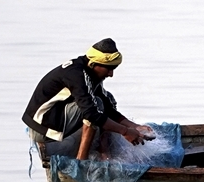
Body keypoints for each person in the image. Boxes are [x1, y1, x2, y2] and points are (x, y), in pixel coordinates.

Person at [23, 38, 151, 158]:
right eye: (109, 69)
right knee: (95, 107)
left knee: (107, 99)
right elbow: (91, 113)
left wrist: (134, 127)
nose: (111, 74)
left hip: (56, 119)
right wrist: (125, 131)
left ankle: (104, 152)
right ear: (94, 64)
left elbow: (108, 107)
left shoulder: (91, 74)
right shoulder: (76, 74)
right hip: (42, 129)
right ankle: (81, 160)